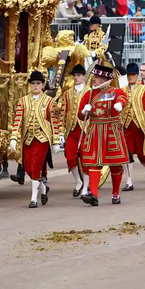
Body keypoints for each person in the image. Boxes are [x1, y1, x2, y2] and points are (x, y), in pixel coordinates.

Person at [79, 64, 130, 206]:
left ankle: (115, 193)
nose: (94, 79)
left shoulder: (114, 91)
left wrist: (119, 104)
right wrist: (84, 110)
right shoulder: (89, 94)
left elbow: (123, 98)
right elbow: (80, 114)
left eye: (97, 77)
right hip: (95, 129)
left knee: (115, 164)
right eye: (94, 76)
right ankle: (94, 194)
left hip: (111, 129)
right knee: (94, 163)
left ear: (105, 79)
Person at [8, 70, 60, 208]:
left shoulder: (49, 101)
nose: (35, 86)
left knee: (36, 165)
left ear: (42, 85)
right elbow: (18, 119)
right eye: (33, 84)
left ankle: (33, 199)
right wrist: (13, 137)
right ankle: (43, 187)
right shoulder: (23, 101)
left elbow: (54, 122)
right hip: (28, 138)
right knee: (28, 167)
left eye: (38, 83)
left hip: (42, 138)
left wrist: (55, 141)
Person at [120, 63, 145, 191]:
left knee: (142, 155)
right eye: (129, 75)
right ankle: (129, 181)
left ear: (137, 76)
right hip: (126, 127)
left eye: (133, 75)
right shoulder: (122, 91)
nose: (131, 77)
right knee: (127, 154)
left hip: (140, 127)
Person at [61, 64, 90, 197]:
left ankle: (86, 185)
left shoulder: (90, 91)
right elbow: (63, 112)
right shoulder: (67, 93)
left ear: (84, 76)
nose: (76, 78)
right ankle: (78, 181)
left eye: (78, 75)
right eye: (75, 76)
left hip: (85, 128)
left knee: (86, 157)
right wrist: (61, 131)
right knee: (70, 156)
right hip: (71, 129)